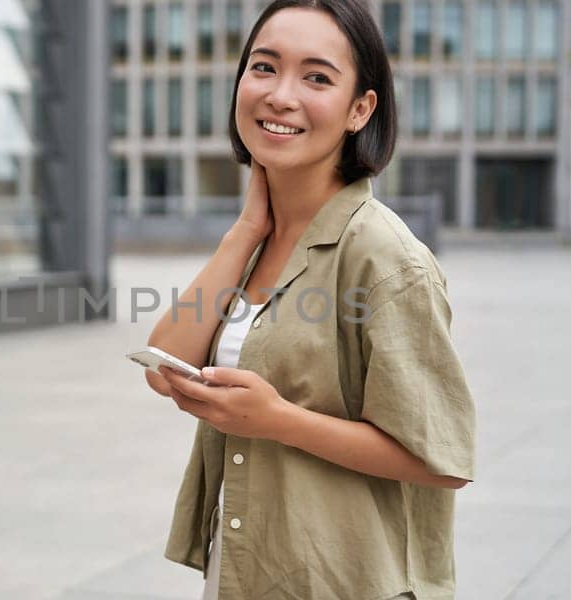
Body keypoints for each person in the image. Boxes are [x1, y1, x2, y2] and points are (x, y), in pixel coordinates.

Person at [140, 1, 477, 599]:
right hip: (248, 569)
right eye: (264, 68)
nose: (280, 95)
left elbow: (440, 458)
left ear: (359, 109)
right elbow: (164, 367)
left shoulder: (385, 257)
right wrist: (243, 233)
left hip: (344, 580)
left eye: (316, 77)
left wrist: (276, 421)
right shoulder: (257, 239)